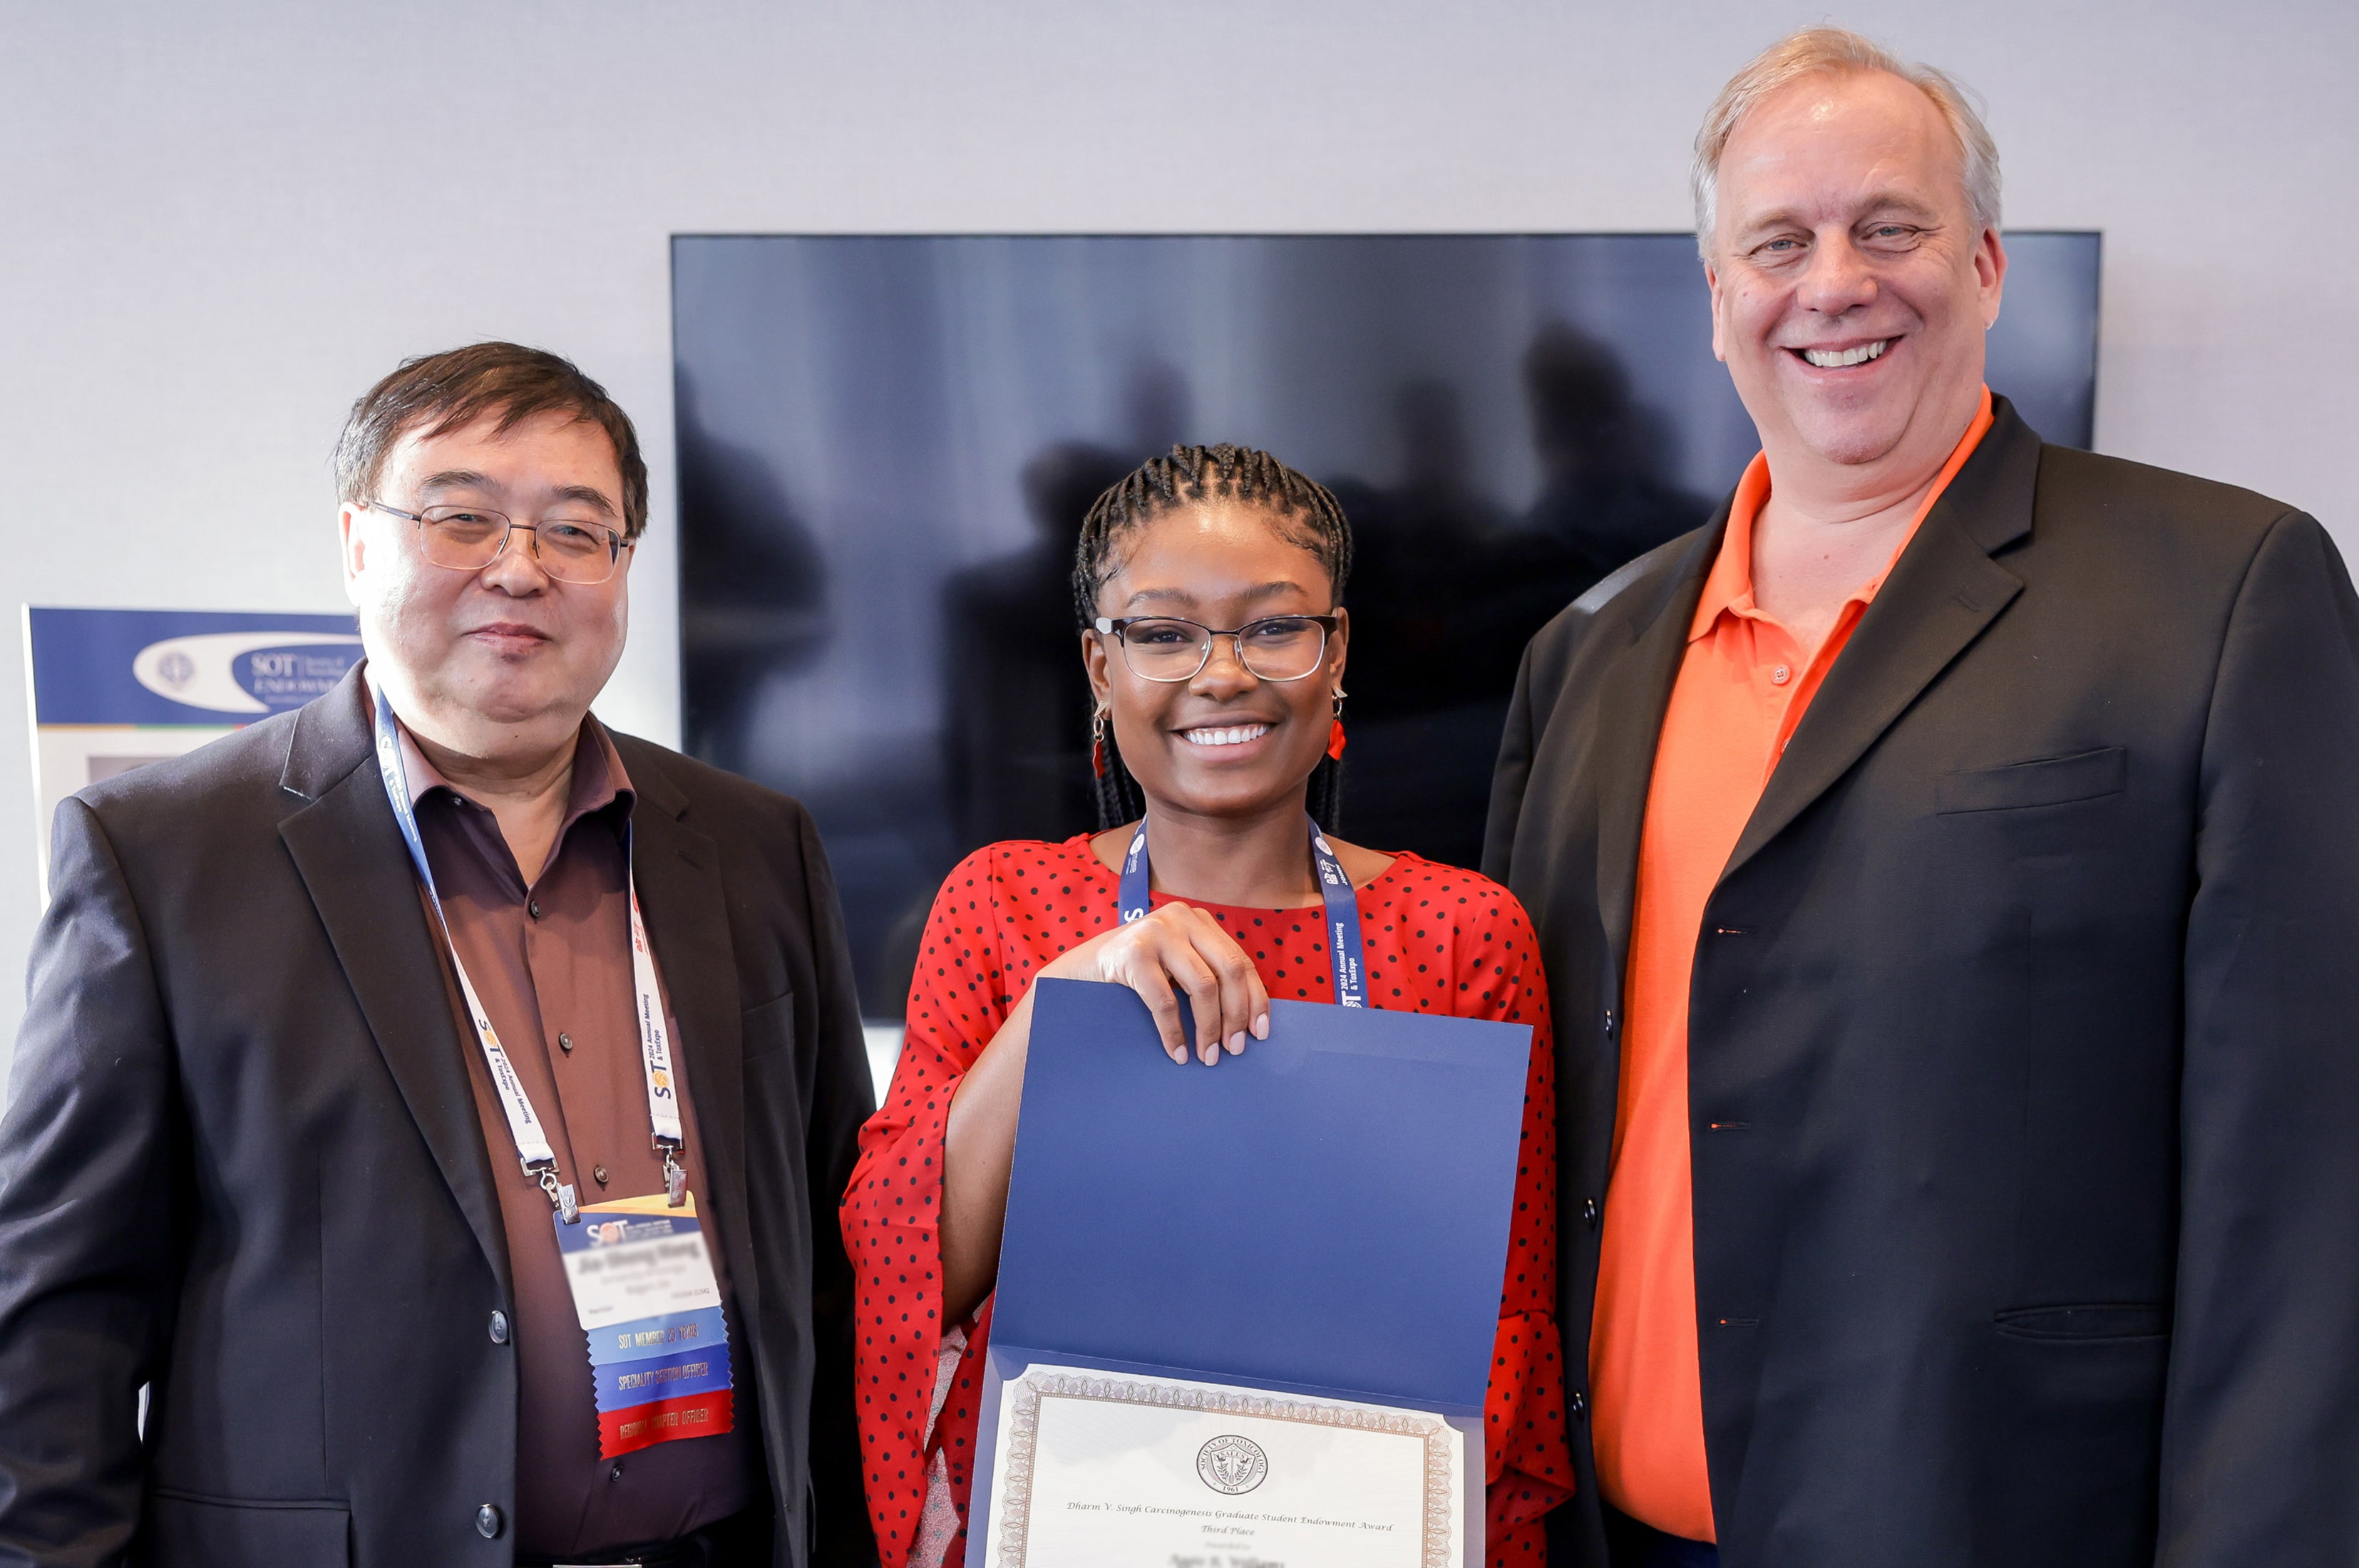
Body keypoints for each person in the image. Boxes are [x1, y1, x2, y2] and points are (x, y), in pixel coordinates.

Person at [1485, 27, 2359, 1568]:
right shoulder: (1586, 656)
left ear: (1985, 265)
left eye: (1888, 227)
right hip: (1608, 1537)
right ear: (1716, 297)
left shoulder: (2225, 593)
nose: (1833, 283)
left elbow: (2304, 1168)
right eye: (1778, 242)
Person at [0, 344, 876, 1567]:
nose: (520, 567)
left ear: (623, 566)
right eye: (461, 517)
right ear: (357, 545)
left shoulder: (753, 844)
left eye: (576, 531)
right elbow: (57, 1321)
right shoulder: (161, 855)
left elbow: (834, 1251)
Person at [844, 444, 1573, 1566]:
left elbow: (1508, 1318)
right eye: (1164, 634)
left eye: (1272, 628)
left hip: (1352, 1528)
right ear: (1100, 666)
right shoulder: (1003, 905)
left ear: (1336, 654)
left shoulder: (1460, 932)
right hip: (1074, 1526)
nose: (1221, 674)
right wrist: (1062, 1000)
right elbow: (909, 1269)